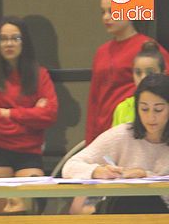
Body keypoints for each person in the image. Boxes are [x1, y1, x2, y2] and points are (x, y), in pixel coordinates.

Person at [0, 16, 57, 212]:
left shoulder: (40, 75)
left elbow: (50, 114)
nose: (9, 43)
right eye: (3, 39)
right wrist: (32, 116)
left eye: (15, 38)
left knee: (25, 215)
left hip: (30, 153)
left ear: (24, 42)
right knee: (3, 218)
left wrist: (10, 113)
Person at [64, 74, 169, 214]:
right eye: (144, 109)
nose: (151, 117)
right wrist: (96, 171)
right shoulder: (122, 135)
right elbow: (70, 166)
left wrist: (146, 176)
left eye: (158, 110)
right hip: (121, 210)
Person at [86, 0, 169, 146]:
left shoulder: (148, 49)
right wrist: (91, 140)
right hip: (105, 131)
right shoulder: (101, 52)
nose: (106, 17)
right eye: (103, 12)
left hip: (138, 131)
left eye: (112, 11)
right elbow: (94, 101)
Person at [112, 41, 166, 127]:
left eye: (150, 72)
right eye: (138, 72)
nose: (143, 77)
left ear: (163, 74)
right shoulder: (123, 109)